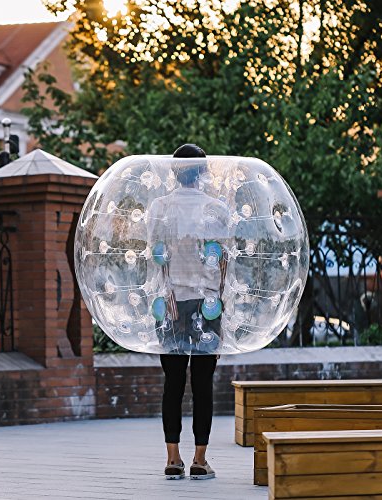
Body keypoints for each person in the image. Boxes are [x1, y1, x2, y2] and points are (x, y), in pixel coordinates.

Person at [146, 144, 229, 480]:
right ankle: (199, 459)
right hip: (206, 305)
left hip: (170, 305)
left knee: (173, 383)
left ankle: (172, 458)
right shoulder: (216, 209)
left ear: (173, 172)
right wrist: (219, 304)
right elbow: (222, 260)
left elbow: (155, 256)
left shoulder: (158, 209)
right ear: (203, 172)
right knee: (203, 384)